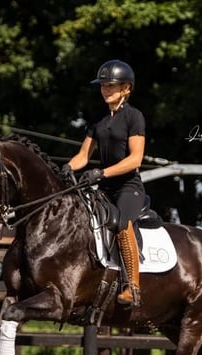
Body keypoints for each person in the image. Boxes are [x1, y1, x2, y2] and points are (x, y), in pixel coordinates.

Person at [63, 59, 147, 307]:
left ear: (126, 88)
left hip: (128, 187)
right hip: (105, 188)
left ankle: (132, 286)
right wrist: (67, 168)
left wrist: (101, 173)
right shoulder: (98, 119)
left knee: (121, 223)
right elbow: (83, 156)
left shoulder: (134, 117)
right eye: (103, 86)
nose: (106, 90)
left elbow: (135, 159)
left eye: (111, 86)